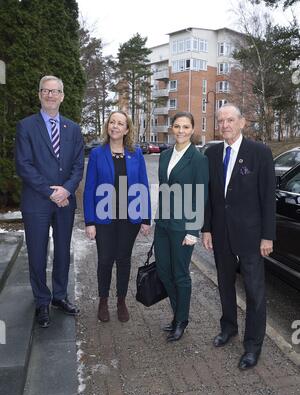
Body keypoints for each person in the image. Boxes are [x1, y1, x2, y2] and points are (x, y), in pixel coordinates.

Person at [202, 104, 276, 370]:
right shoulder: (211, 154)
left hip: (251, 236)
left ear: (242, 122)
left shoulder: (259, 153)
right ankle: (228, 327)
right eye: (220, 121)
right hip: (221, 233)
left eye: (230, 120)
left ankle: (253, 346)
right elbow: (208, 196)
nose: (225, 125)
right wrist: (206, 228)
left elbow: (268, 198)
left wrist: (267, 236)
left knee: (255, 293)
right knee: (224, 285)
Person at [15, 75, 84, 328]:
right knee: (37, 252)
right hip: (37, 202)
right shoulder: (26, 126)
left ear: (62, 96)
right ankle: (42, 301)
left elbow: (78, 165)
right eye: (46, 91)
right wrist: (50, 192)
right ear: (39, 95)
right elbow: (23, 164)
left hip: (64, 202)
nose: (51, 95)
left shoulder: (72, 128)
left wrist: (66, 190)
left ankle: (60, 296)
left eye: (55, 91)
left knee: (64, 251)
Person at [83, 111, 151, 323]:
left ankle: (121, 300)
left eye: (120, 123)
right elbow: (89, 189)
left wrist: (146, 218)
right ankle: (103, 301)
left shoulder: (135, 153)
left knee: (123, 260)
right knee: (104, 260)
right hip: (104, 217)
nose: (115, 126)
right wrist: (90, 222)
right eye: (112, 122)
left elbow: (143, 185)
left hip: (128, 218)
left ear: (127, 129)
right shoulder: (97, 154)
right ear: (108, 126)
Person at [154, 112, 209, 342]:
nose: (181, 131)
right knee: (164, 272)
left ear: (192, 130)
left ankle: (181, 320)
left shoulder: (198, 159)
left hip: (183, 226)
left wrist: (193, 231)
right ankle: (177, 314)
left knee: (180, 274)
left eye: (186, 127)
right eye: (177, 126)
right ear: (172, 128)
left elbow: (201, 195)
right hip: (163, 224)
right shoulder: (165, 155)